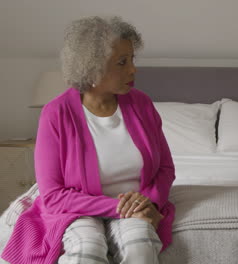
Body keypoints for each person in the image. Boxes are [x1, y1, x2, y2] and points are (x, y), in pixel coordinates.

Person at [2, 16, 175, 264]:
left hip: (136, 207)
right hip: (77, 209)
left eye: (132, 59)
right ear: (92, 68)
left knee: (141, 248)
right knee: (87, 251)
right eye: (122, 62)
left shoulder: (142, 104)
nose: (133, 69)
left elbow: (166, 168)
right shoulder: (56, 114)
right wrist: (116, 207)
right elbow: (52, 196)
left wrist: (151, 202)